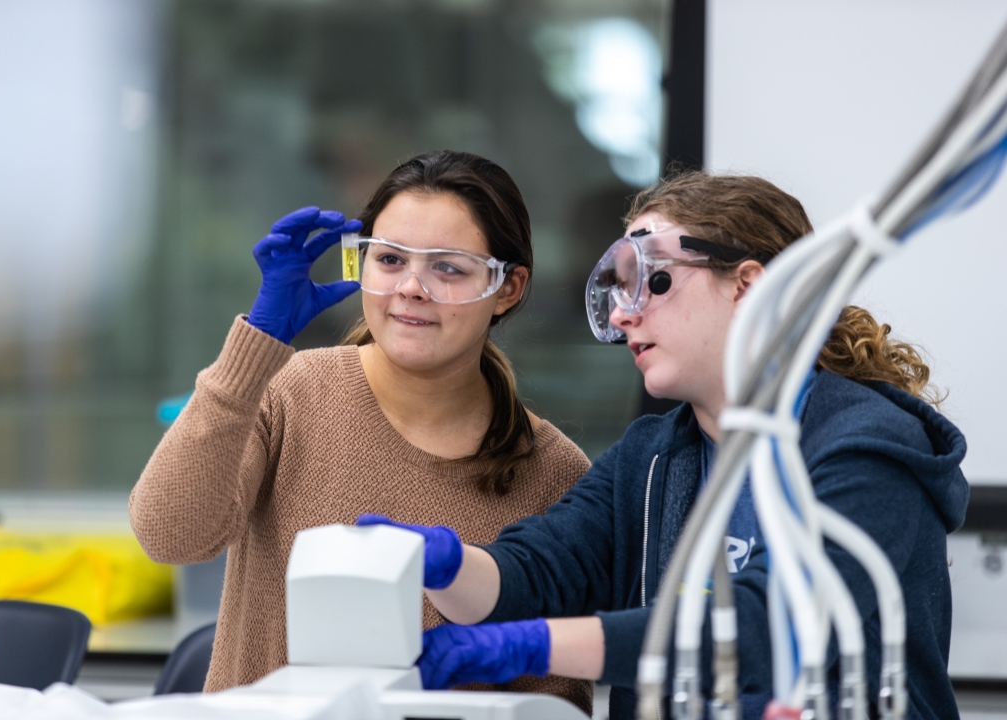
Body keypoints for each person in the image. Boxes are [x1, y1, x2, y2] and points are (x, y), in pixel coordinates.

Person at [363, 172, 968, 720]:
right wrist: (445, 566)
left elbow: (767, 626)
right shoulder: (652, 457)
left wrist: (536, 644)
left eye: (652, 281)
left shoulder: (870, 447)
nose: (625, 316)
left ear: (748, 286)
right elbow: (538, 570)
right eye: (619, 292)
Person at [129, 150, 595, 713]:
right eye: (390, 259)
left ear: (508, 287)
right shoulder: (293, 390)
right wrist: (254, 350)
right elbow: (170, 534)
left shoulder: (555, 473)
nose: (412, 288)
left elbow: (554, 700)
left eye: (448, 267)